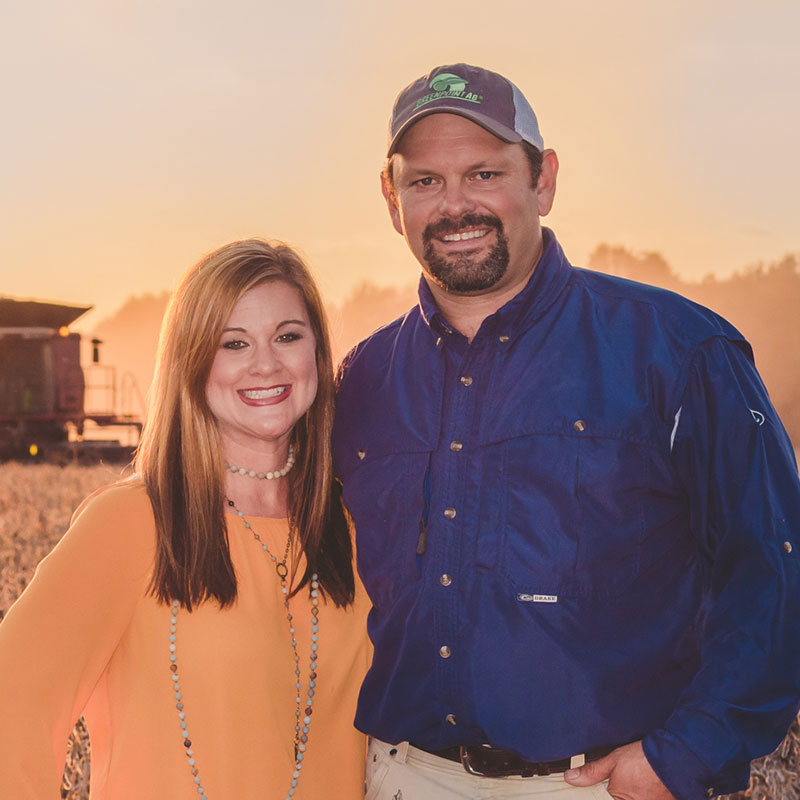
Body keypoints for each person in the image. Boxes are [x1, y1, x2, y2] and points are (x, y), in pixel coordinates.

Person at [333, 63, 800, 800]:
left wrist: (684, 755)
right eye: (424, 181)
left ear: (543, 181)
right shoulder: (361, 380)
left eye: (484, 173)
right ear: (391, 200)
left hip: (599, 784)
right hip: (402, 777)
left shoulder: (679, 351)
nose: (455, 205)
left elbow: (774, 564)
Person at [0, 239, 372, 799]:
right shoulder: (128, 524)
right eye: (234, 343)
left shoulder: (351, 526)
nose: (266, 363)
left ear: (317, 354)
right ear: (191, 360)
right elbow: (13, 707)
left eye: (288, 336)